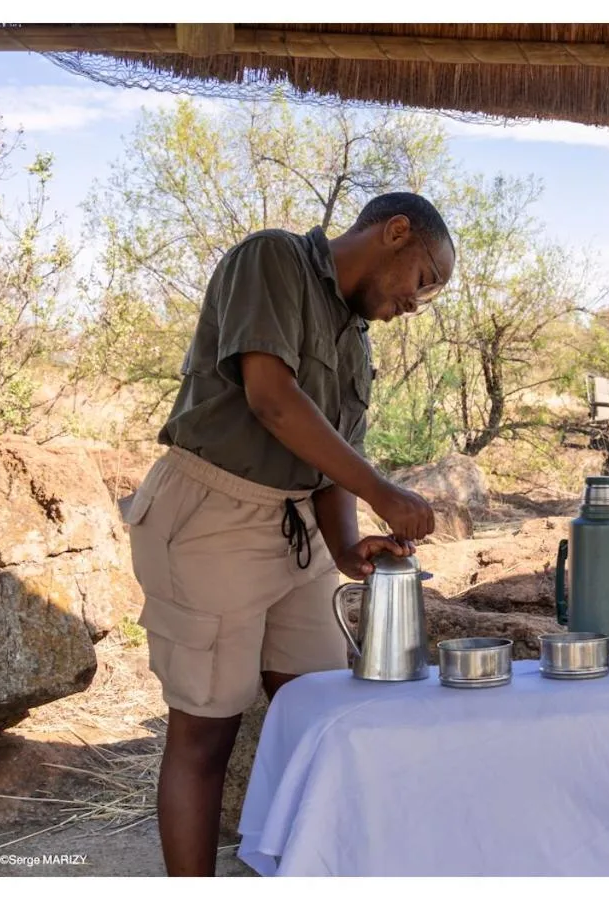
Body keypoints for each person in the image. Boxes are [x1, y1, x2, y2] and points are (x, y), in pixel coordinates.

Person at [121, 192, 455, 876]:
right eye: (424, 280)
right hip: (214, 515)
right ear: (395, 232)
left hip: (298, 534)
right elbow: (272, 399)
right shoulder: (273, 259)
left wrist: (346, 546)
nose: (415, 304)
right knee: (205, 733)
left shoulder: (355, 340)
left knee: (323, 718)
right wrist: (383, 491)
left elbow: (329, 459)